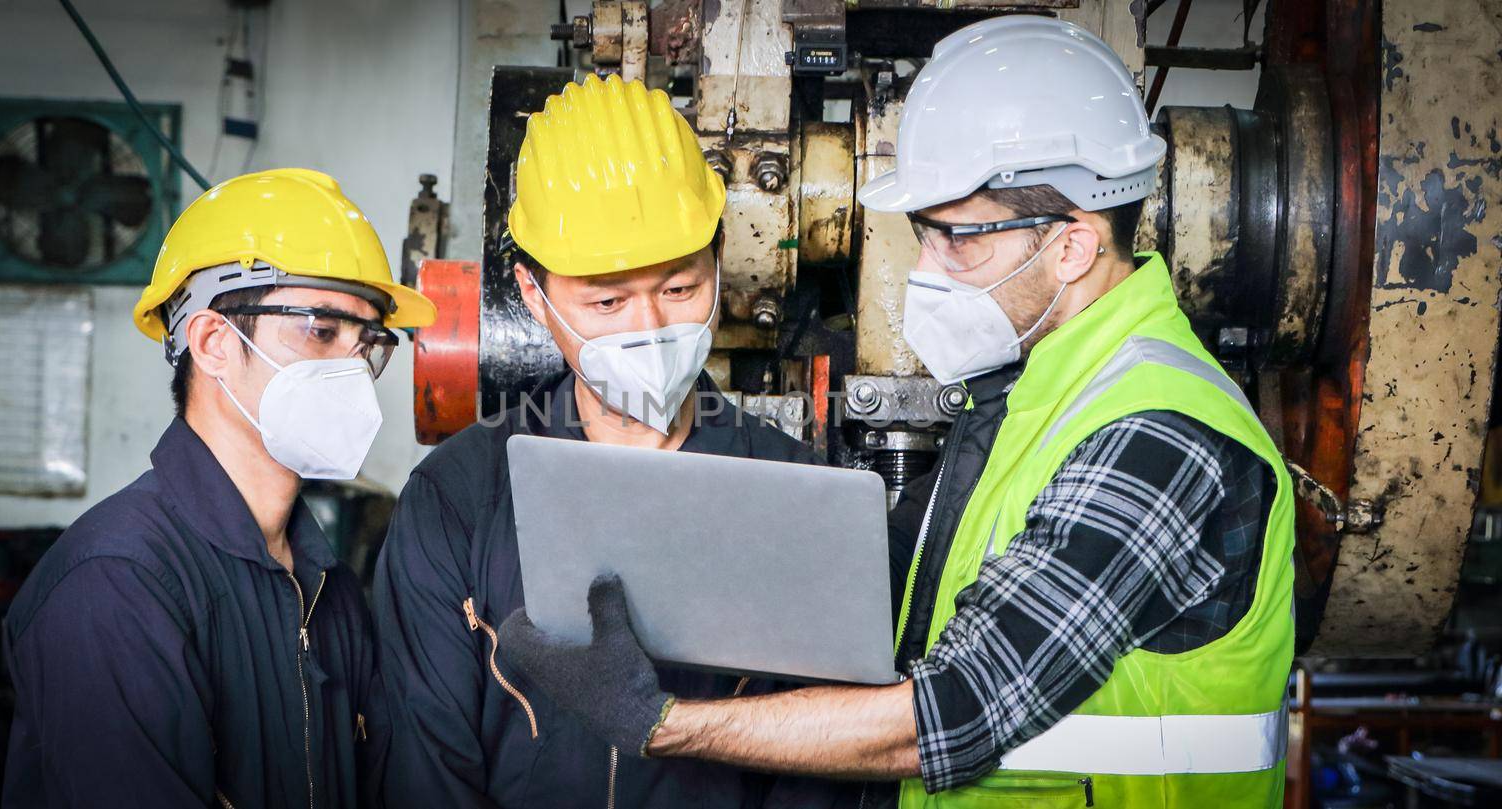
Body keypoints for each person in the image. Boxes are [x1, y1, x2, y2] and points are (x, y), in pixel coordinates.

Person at [497, 16, 1297, 809]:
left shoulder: (1157, 434)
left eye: (959, 239)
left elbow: (954, 711)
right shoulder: (1038, 396)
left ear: (1073, 246)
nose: (928, 267)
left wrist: (659, 722)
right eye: (924, 234)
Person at [373, 73, 856, 808]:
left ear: (720, 261)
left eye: (679, 288)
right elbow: (423, 771)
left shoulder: (799, 495)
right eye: (605, 300)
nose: (647, 327)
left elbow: (819, 774)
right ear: (534, 297)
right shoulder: (459, 500)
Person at [2, 168, 435, 808]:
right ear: (212, 343)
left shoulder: (328, 585)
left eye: (367, 340)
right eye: (321, 330)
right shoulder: (118, 581)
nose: (352, 369)